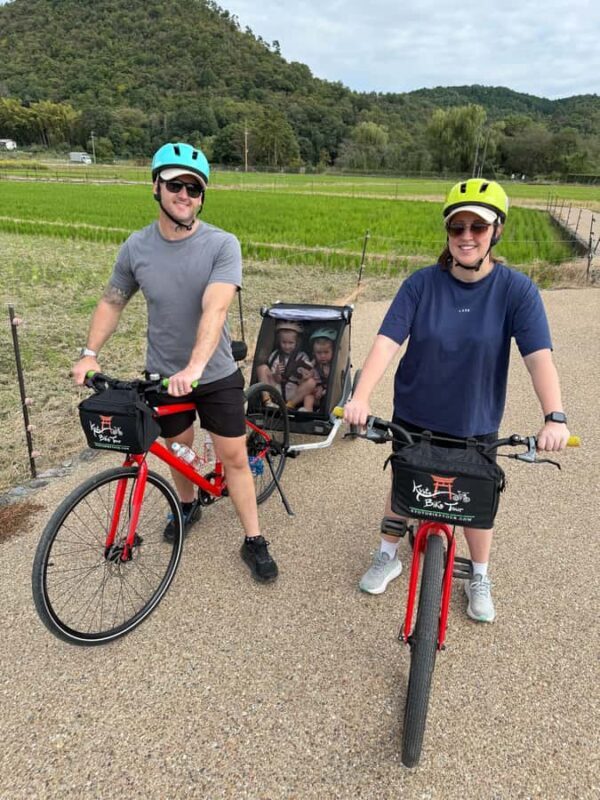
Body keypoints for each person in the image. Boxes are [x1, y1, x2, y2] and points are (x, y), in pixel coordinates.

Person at [344, 178, 570, 621]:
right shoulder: (421, 284)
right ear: (448, 232)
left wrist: (554, 417)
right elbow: (387, 342)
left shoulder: (516, 290)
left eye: (478, 227)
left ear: (496, 231)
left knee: (476, 501)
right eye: (457, 227)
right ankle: (387, 554)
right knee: (405, 483)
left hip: (474, 421)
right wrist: (361, 396)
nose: (466, 236)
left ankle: (479, 575)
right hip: (414, 415)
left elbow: (538, 358)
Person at [71, 141, 278, 583]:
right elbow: (112, 301)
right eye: (175, 185)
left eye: (194, 188)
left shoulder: (221, 244)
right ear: (156, 187)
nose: (185, 194)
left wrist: (196, 366)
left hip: (214, 373)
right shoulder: (136, 247)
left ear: (202, 197)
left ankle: (254, 538)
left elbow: (215, 308)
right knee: (178, 449)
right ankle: (187, 505)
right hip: (163, 375)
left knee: (233, 457)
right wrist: (89, 354)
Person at [256, 320, 313, 408]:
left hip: (294, 391)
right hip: (277, 390)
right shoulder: (275, 355)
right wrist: (277, 373)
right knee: (261, 368)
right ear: (279, 341)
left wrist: (304, 377)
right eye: (284, 342)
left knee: (311, 382)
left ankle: (290, 405)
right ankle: (267, 401)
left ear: (297, 342)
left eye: (291, 343)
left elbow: (303, 380)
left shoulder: (302, 357)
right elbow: (276, 380)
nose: (287, 346)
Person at [293, 328, 337, 413]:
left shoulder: (334, 365)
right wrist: (315, 389)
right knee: (308, 396)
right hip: (316, 395)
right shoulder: (312, 365)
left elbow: (336, 384)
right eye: (319, 353)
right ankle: (308, 410)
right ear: (313, 353)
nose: (322, 356)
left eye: (326, 352)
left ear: (333, 352)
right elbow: (308, 382)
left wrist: (323, 389)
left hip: (329, 394)